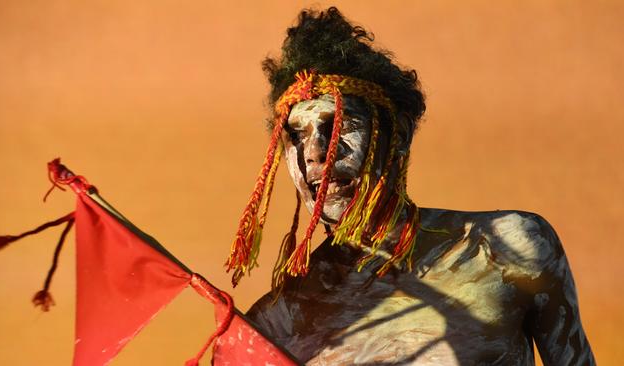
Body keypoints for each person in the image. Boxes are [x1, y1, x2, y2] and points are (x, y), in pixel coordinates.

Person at [225, 7, 595, 365]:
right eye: (296, 136)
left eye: (340, 125)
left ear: (397, 134)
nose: (316, 153)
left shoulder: (508, 251)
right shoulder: (275, 326)